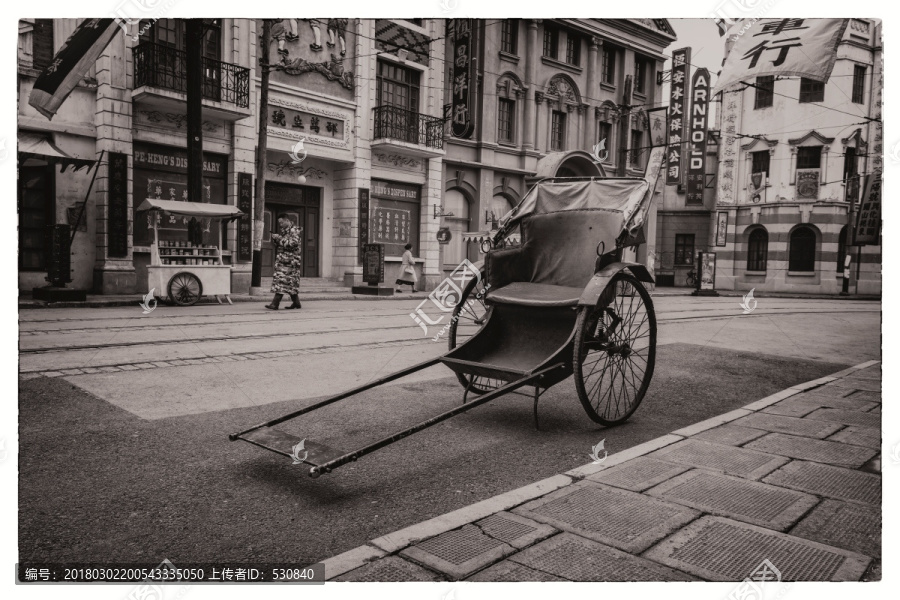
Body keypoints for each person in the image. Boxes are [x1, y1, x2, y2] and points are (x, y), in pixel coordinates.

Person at [266, 216, 303, 310]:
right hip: (285, 261)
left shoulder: (294, 231)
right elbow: (281, 245)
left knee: (281, 281)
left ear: (287, 220)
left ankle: (275, 304)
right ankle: (296, 303)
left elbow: (292, 244)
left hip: (290, 262)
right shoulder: (285, 231)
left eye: (282, 222)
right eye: (280, 223)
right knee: (290, 283)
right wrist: (275, 239)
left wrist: (279, 239)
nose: (280, 225)